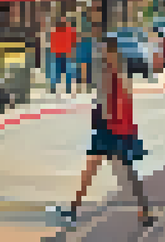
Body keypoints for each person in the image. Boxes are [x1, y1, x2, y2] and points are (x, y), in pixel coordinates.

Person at [51, 36, 155, 228]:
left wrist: (122, 127)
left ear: (113, 53)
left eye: (106, 52)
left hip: (114, 129)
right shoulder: (113, 73)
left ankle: (143, 211)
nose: (104, 55)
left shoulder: (117, 75)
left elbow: (117, 104)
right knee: (99, 169)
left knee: (124, 172)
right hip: (109, 129)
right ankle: (74, 208)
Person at [51, 19, 78, 95]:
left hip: (62, 53)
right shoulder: (60, 30)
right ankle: (63, 88)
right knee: (62, 70)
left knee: (60, 71)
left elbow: (73, 42)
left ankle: (56, 87)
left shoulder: (59, 30)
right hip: (63, 53)